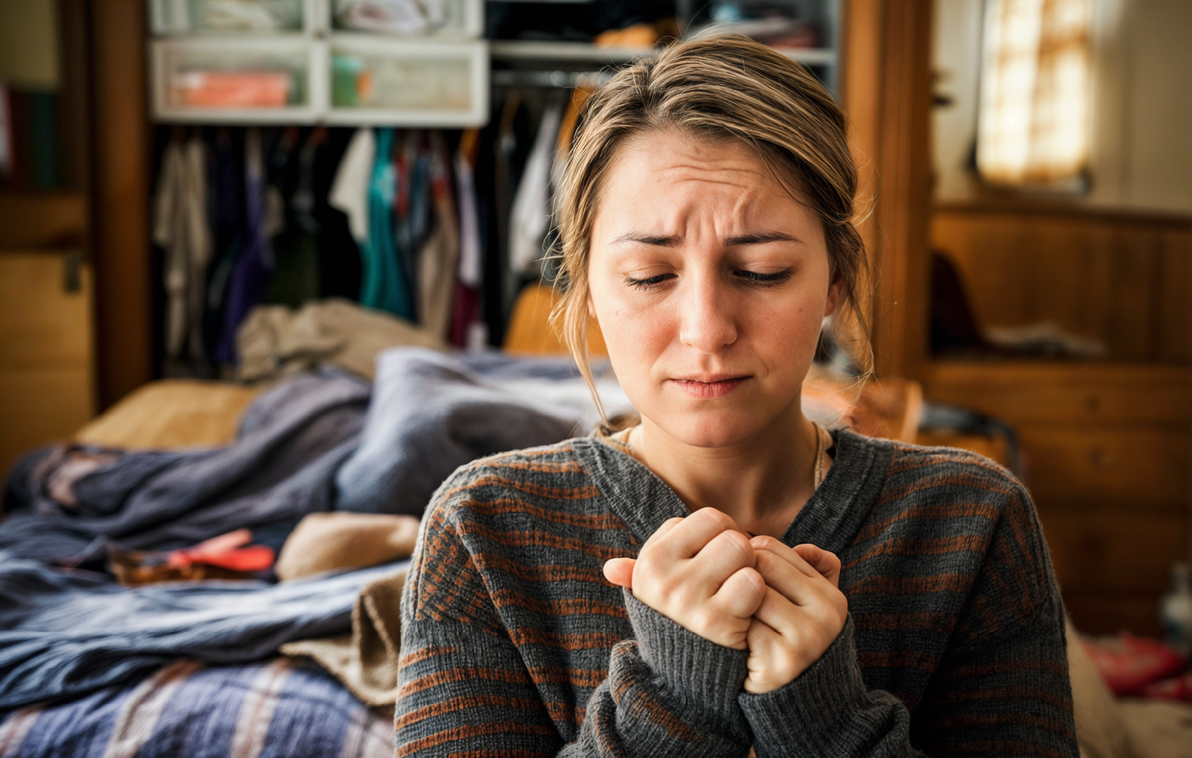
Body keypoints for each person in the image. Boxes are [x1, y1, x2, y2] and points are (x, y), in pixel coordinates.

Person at [394, 34, 1079, 757]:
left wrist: (829, 725)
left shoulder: (974, 524)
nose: (707, 331)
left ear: (835, 279)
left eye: (761, 270)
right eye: (651, 276)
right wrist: (676, 702)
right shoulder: (482, 531)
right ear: (587, 286)